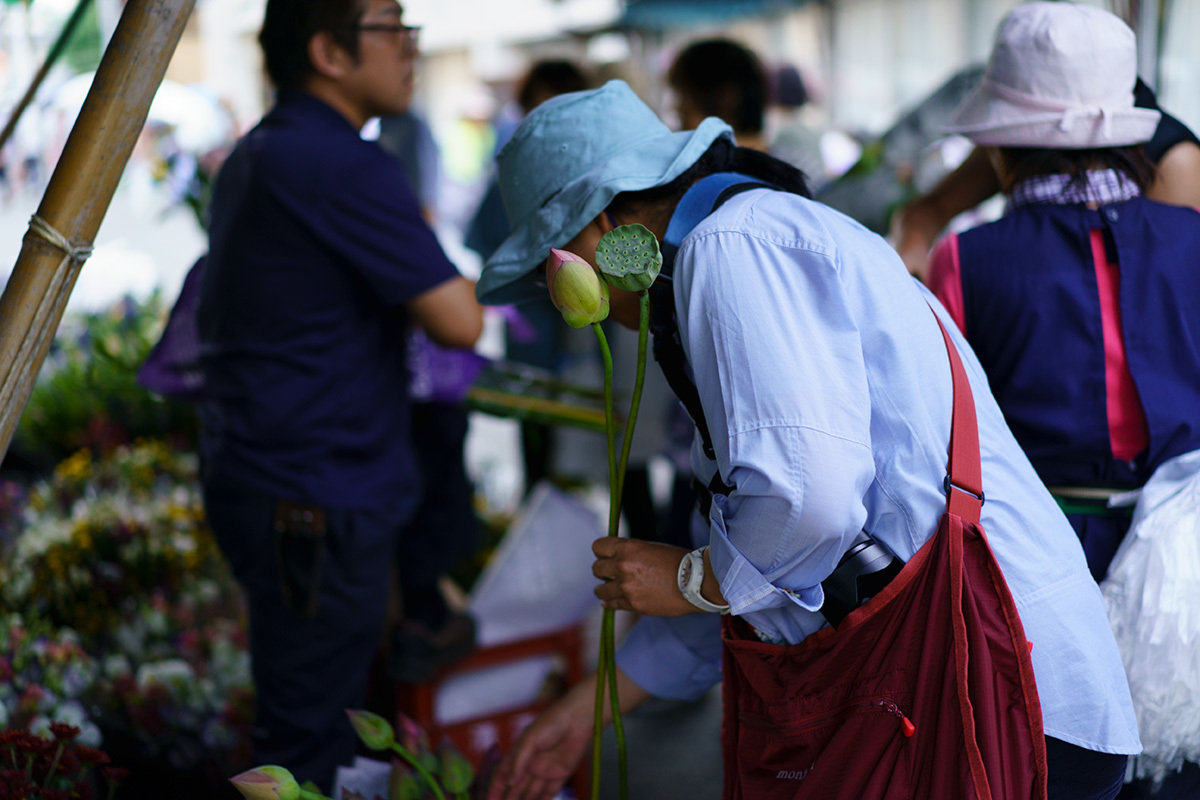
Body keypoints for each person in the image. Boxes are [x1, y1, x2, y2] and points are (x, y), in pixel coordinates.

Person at [475, 79, 1140, 800]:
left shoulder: (732, 245)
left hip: (999, 690)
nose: (556, 283)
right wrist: (590, 707)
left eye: (553, 260)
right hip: (988, 681)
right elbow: (757, 560)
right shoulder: (743, 247)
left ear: (601, 225)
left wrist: (692, 578)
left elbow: (805, 506)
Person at [196, 0, 482, 790]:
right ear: (328, 49)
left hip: (269, 473)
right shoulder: (342, 163)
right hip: (313, 490)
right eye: (392, 27)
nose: (411, 47)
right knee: (309, 741)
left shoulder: (261, 152)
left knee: (306, 715)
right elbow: (458, 319)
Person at [924, 5, 1200, 796]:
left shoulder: (964, 259)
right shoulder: (1192, 236)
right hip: (1187, 556)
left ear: (1004, 148)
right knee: (1179, 767)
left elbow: (953, 429)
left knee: (1055, 761)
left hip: (1035, 556)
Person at [891, 71, 1200, 281]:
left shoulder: (1174, 163)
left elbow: (1160, 303)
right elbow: (928, 210)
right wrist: (913, 256)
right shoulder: (1015, 137)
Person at [464, 60, 590, 493]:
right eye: (539, 108)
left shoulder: (602, 168)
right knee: (539, 446)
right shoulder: (514, 171)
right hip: (535, 333)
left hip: (598, 335)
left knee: (618, 452)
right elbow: (483, 239)